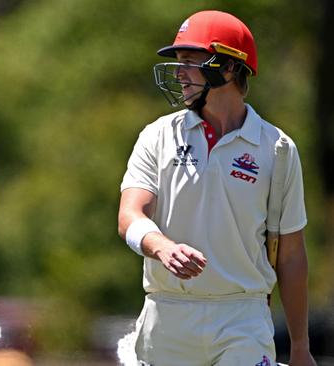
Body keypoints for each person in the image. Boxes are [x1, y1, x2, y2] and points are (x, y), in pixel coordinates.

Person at [117, 10, 316, 366]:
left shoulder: (278, 149)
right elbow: (129, 215)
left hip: (243, 315)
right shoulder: (157, 135)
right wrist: (161, 247)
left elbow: (291, 255)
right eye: (178, 62)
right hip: (168, 315)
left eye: (190, 62)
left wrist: (300, 346)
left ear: (228, 67)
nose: (179, 73)